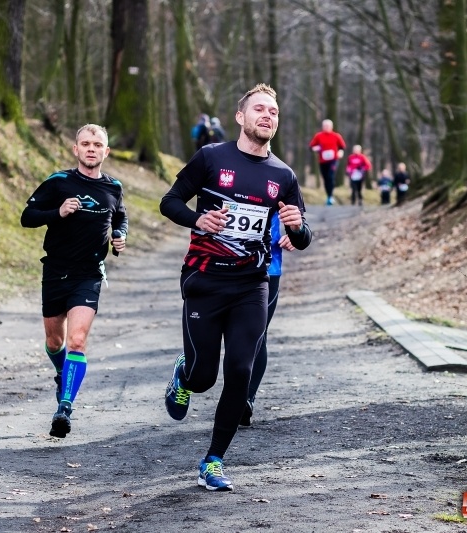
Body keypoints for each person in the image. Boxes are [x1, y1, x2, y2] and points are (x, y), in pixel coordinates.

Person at [159, 83, 312, 492]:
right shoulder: (211, 158)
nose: (267, 116)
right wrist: (197, 220)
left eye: (274, 112)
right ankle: (183, 373)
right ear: (241, 117)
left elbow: (301, 235)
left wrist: (297, 228)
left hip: (251, 285)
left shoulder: (283, 175)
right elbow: (169, 201)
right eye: (259, 109)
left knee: (241, 369)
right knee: (204, 376)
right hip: (205, 279)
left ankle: (213, 460)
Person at [20, 124, 128, 439]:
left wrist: (120, 236)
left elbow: (120, 217)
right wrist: (58, 212)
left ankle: (64, 407)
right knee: (56, 342)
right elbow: (28, 217)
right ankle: (61, 373)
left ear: (106, 152)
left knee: (77, 341)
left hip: (89, 273)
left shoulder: (114, 187)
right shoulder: (59, 182)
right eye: (85, 143)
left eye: (97, 144)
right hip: (55, 270)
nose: (91, 148)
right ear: (76, 149)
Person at [240, 213, 295, 427]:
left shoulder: (283, 178)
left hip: (267, 267)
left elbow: (299, 219)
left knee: (257, 334)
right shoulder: (216, 177)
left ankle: (245, 399)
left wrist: (296, 233)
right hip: (221, 264)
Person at [309, 119, 346, 206]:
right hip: (322, 160)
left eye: (328, 126)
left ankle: (331, 196)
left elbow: (342, 147)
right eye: (325, 126)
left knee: (330, 176)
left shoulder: (336, 136)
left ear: (331, 127)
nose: (326, 127)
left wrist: (340, 152)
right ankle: (328, 196)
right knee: (325, 178)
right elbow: (311, 146)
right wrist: (316, 148)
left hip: (333, 160)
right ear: (322, 127)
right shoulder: (319, 136)